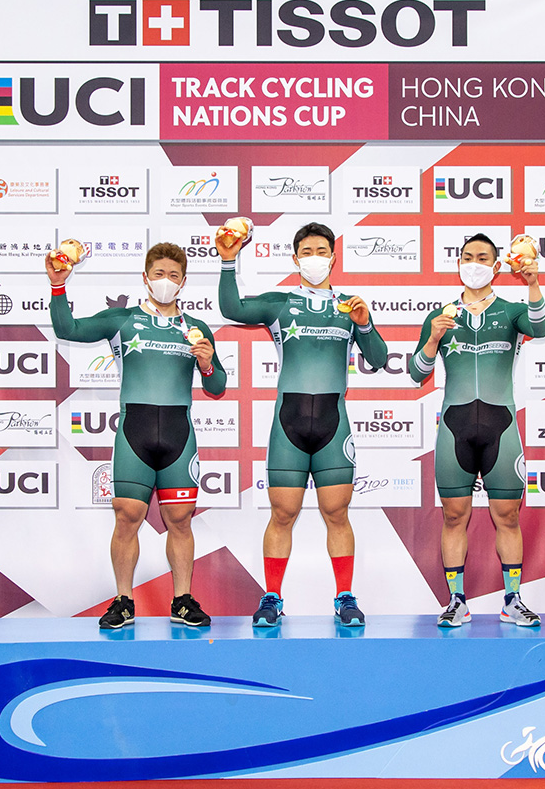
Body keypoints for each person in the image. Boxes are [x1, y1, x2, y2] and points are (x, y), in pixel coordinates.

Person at [218, 221, 389, 627]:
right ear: (295, 259)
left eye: (322, 251)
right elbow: (233, 309)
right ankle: (272, 597)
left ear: (333, 256)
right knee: (282, 513)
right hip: (288, 424)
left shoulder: (350, 305)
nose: (315, 258)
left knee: (337, 513)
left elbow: (380, 358)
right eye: (307, 251)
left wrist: (364, 323)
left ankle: (345, 597)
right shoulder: (280, 303)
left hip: (333, 424)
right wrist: (228, 260)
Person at [50, 243, 228, 630]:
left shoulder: (195, 327)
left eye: (174, 276)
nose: (166, 281)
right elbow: (68, 329)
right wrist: (58, 287)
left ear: (183, 282)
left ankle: (182, 600)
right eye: (160, 274)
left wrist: (207, 362)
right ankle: (124, 600)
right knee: (127, 516)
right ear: (145, 278)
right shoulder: (123, 319)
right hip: (136, 432)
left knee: (180, 520)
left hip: (179, 434)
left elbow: (218, 387)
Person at [411, 233, 545, 627]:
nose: (475, 263)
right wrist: (434, 338)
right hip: (453, 428)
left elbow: (540, 328)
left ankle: (512, 600)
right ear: (458, 263)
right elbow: (416, 373)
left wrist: (534, 282)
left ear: (496, 266)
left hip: (500, 428)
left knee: (507, 515)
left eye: (483, 257)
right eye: (468, 256)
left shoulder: (511, 310)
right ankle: (457, 601)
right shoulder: (440, 315)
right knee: (454, 516)